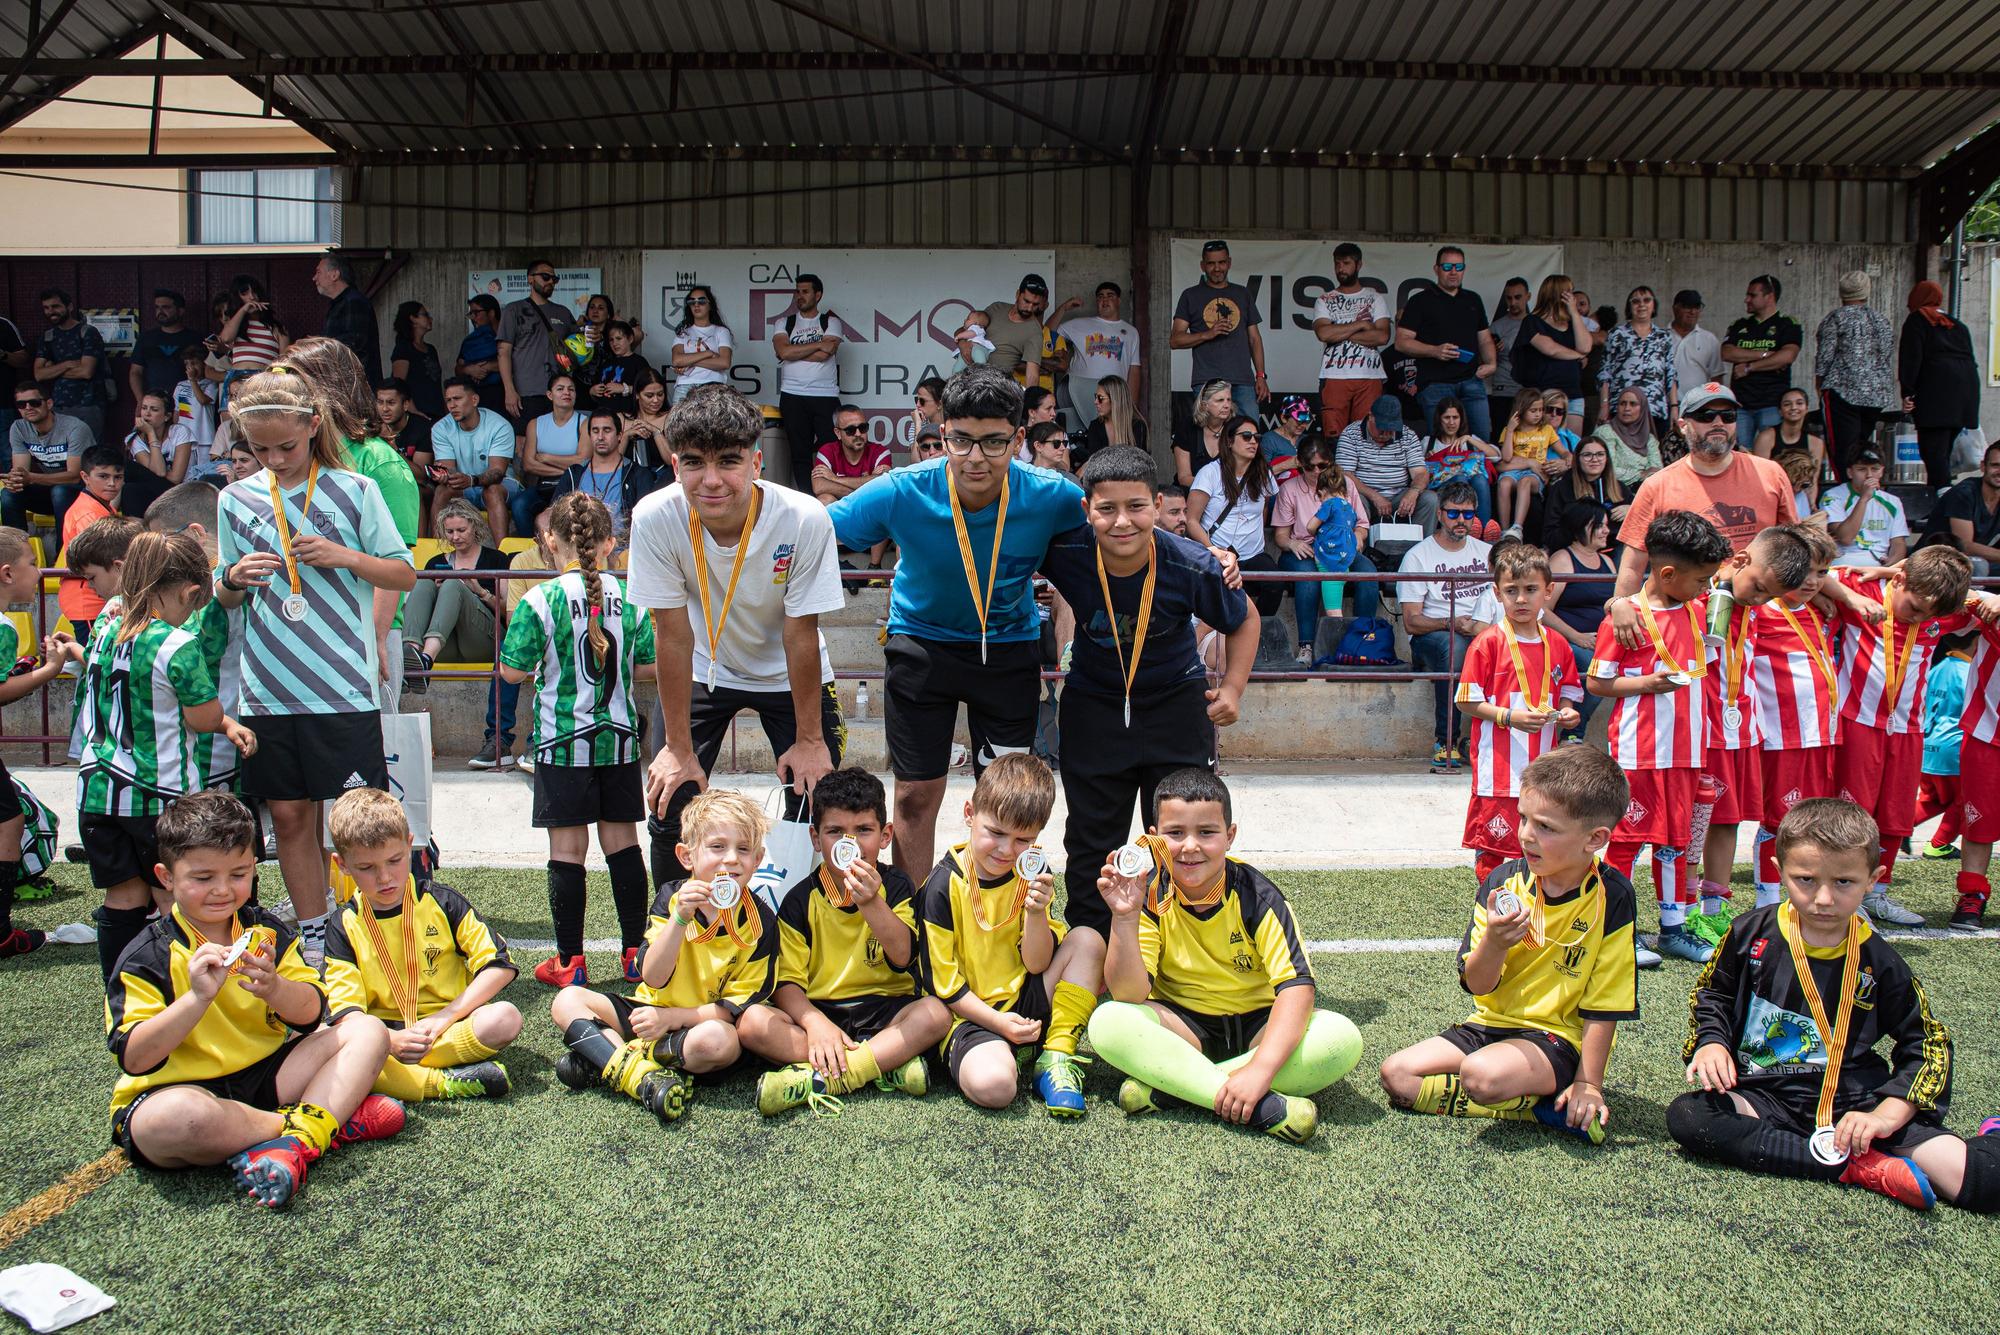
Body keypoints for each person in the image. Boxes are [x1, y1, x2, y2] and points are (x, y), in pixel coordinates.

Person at [1671, 798, 2000, 1214]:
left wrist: (1884, 1117)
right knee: (1691, 1118)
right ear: (1779, 870)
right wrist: (1711, 1043)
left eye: (1844, 882)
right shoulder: (1750, 933)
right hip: (1764, 1095)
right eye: (1805, 879)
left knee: (1983, 1183)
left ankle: (1986, 1136)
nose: (1823, 898)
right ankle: (1858, 1169)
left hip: (1855, 1106)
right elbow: (1712, 994)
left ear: (1873, 879)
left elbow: (1928, 1043)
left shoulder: (1880, 961)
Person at [828, 367, 1085, 878]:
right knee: (916, 796)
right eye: (961, 440)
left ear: (1017, 439)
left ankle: (992, 925)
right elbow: (815, 527)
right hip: (922, 648)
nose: (975, 458)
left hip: (1009, 651)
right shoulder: (902, 489)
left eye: (993, 443)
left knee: (1006, 802)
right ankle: (918, 920)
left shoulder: (1052, 494)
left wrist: (1208, 554)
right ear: (942, 433)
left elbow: (1127, 525)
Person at [102, 791, 402, 1208]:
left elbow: (313, 1013)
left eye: (238, 874)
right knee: (178, 1122)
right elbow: (135, 1059)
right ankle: (316, 1126)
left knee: (367, 1030)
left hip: (265, 1077)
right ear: (166, 876)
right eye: (203, 878)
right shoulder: (146, 956)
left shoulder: (265, 930)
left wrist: (275, 987)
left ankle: (296, 1136)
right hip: (178, 1090)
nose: (222, 891)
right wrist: (196, 999)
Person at [211, 369, 416, 968]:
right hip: (266, 691)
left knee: (362, 826)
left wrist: (342, 556)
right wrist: (231, 578)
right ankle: (317, 934)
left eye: (286, 447)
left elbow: (402, 574)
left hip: (343, 689)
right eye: (259, 449)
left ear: (312, 426)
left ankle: (382, 931)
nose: (273, 460)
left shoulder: (354, 490)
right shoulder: (234, 499)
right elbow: (223, 597)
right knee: (291, 820)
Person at [630, 385, 845, 887]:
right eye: (693, 463)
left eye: (728, 462)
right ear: (675, 464)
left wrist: (811, 739)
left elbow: (801, 635)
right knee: (669, 806)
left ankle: (802, 934)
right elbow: (673, 636)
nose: (711, 481)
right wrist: (678, 748)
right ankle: (672, 932)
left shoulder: (803, 518)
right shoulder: (656, 516)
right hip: (704, 668)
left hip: (787, 674)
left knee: (820, 805)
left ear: (756, 462)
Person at [1037, 445, 1256, 932]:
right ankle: (1088, 947)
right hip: (1094, 710)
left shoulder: (1191, 563)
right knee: (1093, 839)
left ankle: (1182, 944)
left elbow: (1246, 617)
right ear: (1086, 509)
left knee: (1179, 838)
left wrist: (1234, 688)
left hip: (1175, 710)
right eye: (1106, 508)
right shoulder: (1064, 551)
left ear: (1158, 506)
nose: (1122, 522)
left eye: (1136, 507)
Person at [1379, 745, 1636, 1144]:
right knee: (1397, 1075)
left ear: (1595, 839)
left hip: (1556, 1038)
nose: (1526, 835)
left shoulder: (1613, 896)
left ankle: (1562, 1092)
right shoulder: (1502, 883)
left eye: (1546, 827)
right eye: (1523, 819)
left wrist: (1590, 1082)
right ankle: (1541, 1111)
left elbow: (1607, 999)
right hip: (1489, 1026)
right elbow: (1478, 985)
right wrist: (1495, 944)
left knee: (1480, 1076)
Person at [1090, 767, 1362, 1142]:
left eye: (1206, 832)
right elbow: (1128, 994)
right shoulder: (1148, 895)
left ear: (1229, 836)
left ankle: (1178, 1088)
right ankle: (1258, 1106)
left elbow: (1297, 990)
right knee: (1107, 1021)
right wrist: (1124, 918)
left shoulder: (1257, 896)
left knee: (1341, 1038)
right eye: (1174, 833)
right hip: (1185, 1028)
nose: (1190, 846)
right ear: (1153, 839)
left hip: (1257, 1029)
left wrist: (1262, 1069)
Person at [64, 530, 258, 979]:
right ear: (191, 592)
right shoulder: (176, 644)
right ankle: (185, 989)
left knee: (123, 898)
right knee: (173, 897)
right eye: (193, 604)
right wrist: (225, 719)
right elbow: (204, 719)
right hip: (158, 795)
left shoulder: (106, 626)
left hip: (96, 790)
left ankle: (123, 992)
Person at [498, 493, 657, 988]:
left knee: (567, 849)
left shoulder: (537, 600)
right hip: (620, 741)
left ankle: (571, 963)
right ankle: (637, 956)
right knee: (623, 845)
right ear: (611, 542)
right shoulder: (633, 597)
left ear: (550, 540)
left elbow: (510, 671)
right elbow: (650, 666)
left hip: (563, 741)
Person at [549, 788, 776, 1124]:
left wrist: (671, 1020)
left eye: (743, 849)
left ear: (757, 860)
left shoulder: (761, 920)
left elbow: (733, 1012)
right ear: (687, 856)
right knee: (566, 1000)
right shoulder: (671, 898)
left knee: (720, 1042)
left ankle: (611, 1060)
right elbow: (653, 977)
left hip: (697, 1025)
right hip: (648, 1011)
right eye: (717, 847)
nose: (731, 859)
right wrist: (680, 918)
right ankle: (639, 1075)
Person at [738, 767, 947, 1115]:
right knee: (752, 1024)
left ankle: (826, 1077)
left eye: (863, 830)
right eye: (836, 832)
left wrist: (871, 902)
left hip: (886, 1011)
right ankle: (884, 1063)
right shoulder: (799, 900)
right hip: (823, 1014)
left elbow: (903, 955)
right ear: (816, 839)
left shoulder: (896, 887)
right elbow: (786, 983)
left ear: (885, 835)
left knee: (935, 1014)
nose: (849, 844)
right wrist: (814, 1023)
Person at [917, 753, 1104, 1116]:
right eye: (995, 833)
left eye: (1023, 839)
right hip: (969, 1014)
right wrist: (999, 1023)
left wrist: (1036, 913)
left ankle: (1056, 1056)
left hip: (1024, 996)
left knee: (1088, 941)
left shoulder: (1032, 872)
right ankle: (1005, 1049)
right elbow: (945, 987)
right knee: (997, 1087)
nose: (1006, 850)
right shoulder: (942, 885)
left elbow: (1037, 963)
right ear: (970, 813)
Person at [1588, 510, 1732, 965]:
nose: (1705, 589)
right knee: (1628, 841)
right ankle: (1617, 931)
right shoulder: (1626, 621)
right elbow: (1598, 683)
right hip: (1641, 751)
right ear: (1668, 573)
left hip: (1686, 752)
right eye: (1700, 580)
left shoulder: (1697, 609)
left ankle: (1672, 928)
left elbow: (1734, 584)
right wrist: (1648, 683)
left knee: (1673, 841)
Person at [1830, 546, 1993, 926]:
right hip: (1858, 722)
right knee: (1854, 816)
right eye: (1915, 608)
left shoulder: (1941, 610)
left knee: (1895, 816)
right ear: (1901, 580)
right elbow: (1812, 572)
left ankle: (1877, 894)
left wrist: (1980, 597)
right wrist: (1858, 589)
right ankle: (1843, 896)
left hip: (1908, 728)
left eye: (1930, 615)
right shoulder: (1863, 590)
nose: (1921, 618)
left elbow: (1985, 602)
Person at [323, 787, 519, 1104]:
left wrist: (446, 1016)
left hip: (447, 1026)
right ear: (342, 864)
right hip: (382, 1040)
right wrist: (390, 1040)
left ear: (410, 844)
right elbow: (347, 1012)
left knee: (504, 1018)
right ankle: (439, 1083)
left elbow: (498, 966)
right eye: (367, 868)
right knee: (322, 1037)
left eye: (394, 860)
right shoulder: (343, 925)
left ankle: (389, 1078)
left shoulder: (442, 902)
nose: (384, 877)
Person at [1691, 527, 1818, 924]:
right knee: (1688, 824)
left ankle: (1714, 908)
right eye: (1759, 587)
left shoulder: (1756, 610)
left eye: (1770, 596)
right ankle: (1675, 909)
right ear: (1742, 560)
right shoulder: (1697, 595)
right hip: (1696, 730)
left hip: (1740, 730)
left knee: (1728, 820)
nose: (1760, 599)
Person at [1454, 543, 1586, 882]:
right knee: (1496, 854)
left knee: (1539, 849)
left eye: (1530, 590)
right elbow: (1466, 701)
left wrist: (1568, 714)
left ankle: (1533, 917)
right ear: (1498, 594)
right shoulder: (1487, 643)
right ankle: (1492, 915)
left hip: (1542, 775)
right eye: (1512, 591)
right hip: (1497, 774)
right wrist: (1509, 717)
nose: (1522, 599)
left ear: (1548, 591)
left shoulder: (1557, 644)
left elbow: (1569, 693)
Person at [1611, 381, 1798, 603]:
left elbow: (1793, 548)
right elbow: (1633, 565)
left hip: (1759, 609)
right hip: (1686, 612)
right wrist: (1621, 608)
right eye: (1705, 415)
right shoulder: (1657, 485)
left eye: (1728, 416)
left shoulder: (1771, 473)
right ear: (1683, 425)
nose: (1718, 422)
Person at [1748, 523, 1841, 910]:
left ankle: (1798, 894)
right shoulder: (1759, 611)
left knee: (1811, 823)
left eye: (1821, 573)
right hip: (1782, 738)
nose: (1812, 581)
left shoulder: (1819, 610)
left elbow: (1856, 575)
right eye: (1804, 570)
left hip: (1822, 735)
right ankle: (1767, 899)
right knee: (1779, 820)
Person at [403, 501, 511, 745]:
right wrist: (437, 592)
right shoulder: (435, 561)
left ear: (474, 527)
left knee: (453, 583)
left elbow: (507, 611)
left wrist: (478, 591)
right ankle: (411, 652)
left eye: (461, 530)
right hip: (445, 642)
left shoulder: (496, 558)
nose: (455, 537)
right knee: (423, 582)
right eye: (450, 532)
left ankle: (424, 661)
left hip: (484, 640)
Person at [1400, 481, 1491, 771]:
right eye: (1454, 514)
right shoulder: (1418, 556)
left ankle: (1489, 741)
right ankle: (1446, 741)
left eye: (1468, 514)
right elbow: (1412, 622)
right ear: (1440, 514)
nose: (1461, 520)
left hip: (1484, 631)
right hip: (1435, 636)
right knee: (1454, 647)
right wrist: (1450, 622)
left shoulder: (1489, 553)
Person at [1274, 437, 1377, 658]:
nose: (1316, 471)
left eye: (1322, 465)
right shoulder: (1290, 489)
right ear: (1300, 464)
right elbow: (1280, 536)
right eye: (1310, 466)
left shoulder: (1345, 484)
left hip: (1341, 546)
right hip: (1306, 547)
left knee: (1369, 574)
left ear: (1330, 463)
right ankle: (1306, 646)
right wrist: (1293, 543)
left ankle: (1363, 642)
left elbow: (1361, 524)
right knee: (1307, 578)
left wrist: (1359, 536)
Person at [1395, 246, 1496, 441]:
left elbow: (1484, 338)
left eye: (1459, 266)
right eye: (1448, 266)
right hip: (1435, 384)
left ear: (1464, 269)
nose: (1453, 271)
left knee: (1482, 440)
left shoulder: (1473, 299)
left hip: (1471, 381)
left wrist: (1491, 364)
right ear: (1436, 269)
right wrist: (1434, 351)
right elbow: (1401, 342)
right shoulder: (1420, 301)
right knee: (1442, 445)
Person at [1187, 414, 1281, 617]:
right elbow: (1191, 520)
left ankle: (1259, 632)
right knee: (1221, 594)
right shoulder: (1210, 472)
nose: (1253, 442)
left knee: (1275, 582)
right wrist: (1212, 549)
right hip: (1217, 552)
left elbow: (1263, 508)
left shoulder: (1264, 473)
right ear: (1229, 441)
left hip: (1253, 553)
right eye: (1246, 436)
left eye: (1257, 437)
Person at [1899, 279, 1983, 491]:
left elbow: (1911, 358)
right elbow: (1970, 361)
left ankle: (1943, 504)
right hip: (1965, 395)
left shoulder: (1917, 320)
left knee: (1933, 453)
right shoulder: (1958, 325)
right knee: (1942, 453)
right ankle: (1939, 496)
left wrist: (1908, 392)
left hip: (1936, 396)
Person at [1544, 503, 1617, 742]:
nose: (1606, 531)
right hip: (1567, 640)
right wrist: (1577, 637)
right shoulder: (1563, 559)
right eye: (1598, 526)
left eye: (1607, 525)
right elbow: (1543, 609)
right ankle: (1573, 734)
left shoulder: (1607, 563)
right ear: (1580, 527)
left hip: (1600, 641)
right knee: (1594, 670)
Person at [1814, 271, 1897, 478]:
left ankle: (1844, 489)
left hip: (1842, 391)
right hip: (1876, 397)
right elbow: (1886, 353)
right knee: (1863, 447)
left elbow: (1824, 357)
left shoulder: (1836, 318)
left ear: (1842, 292)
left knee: (1842, 449)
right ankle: (1865, 488)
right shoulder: (1881, 320)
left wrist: (1820, 384)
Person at [1171, 242, 1267, 420]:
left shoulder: (1243, 294)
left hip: (1243, 381)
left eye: (1221, 263)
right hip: (1207, 380)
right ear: (1202, 265)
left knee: (1248, 434)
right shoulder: (1190, 295)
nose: (1217, 268)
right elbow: (1175, 340)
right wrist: (1207, 334)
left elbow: (1255, 338)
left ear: (1229, 263)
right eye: (1211, 263)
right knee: (1209, 435)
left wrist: (1260, 375)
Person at [773, 273, 843, 494]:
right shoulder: (784, 322)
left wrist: (793, 353)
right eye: (798, 291)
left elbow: (828, 352)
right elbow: (782, 350)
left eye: (805, 291)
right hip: (792, 395)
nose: (799, 296)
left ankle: (827, 494)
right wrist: (817, 345)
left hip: (825, 395)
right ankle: (807, 497)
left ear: (817, 295)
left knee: (830, 448)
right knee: (799, 451)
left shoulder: (830, 322)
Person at [552, 407, 657, 555]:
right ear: (589, 435)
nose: (600, 436)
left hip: (623, 555)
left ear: (620, 435)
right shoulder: (574, 473)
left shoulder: (638, 474)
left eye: (607, 430)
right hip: (577, 554)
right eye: (595, 431)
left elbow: (648, 522)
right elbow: (552, 515)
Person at [1312, 242, 1391, 437]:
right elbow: (1323, 334)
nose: (1341, 269)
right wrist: (1361, 324)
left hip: (1369, 375)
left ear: (1358, 265)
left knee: (1366, 435)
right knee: (1333, 436)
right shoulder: (1325, 299)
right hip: (1334, 375)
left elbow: (1382, 336)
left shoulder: (1374, 298)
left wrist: (1339, 331)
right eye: (1337, 264)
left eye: (1346, 263)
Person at [432, 375, 521, 540]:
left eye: (457, 399)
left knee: (492, 491)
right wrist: (447, 475)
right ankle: (437, 553)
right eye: (449, 400)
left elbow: (497, 472)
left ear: (474, 400)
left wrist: (472, 480)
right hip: (464, 486)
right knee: (441, 490)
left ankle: (502, 557)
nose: (452, 405)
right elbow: (448, 466)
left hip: (501, 484)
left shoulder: (499, 425)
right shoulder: (441, 428)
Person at [1722, 275, 1803, 451]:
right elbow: (1727, 352)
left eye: (1752, 295)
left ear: (1769, 296)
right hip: (1741, 404)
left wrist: (1749, 367)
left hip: (1772, 404)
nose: (1747, 299)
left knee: (1770, 457)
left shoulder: (1787, 324)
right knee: (1742, 457)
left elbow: (1787, 356)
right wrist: (1766, 354)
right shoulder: (1740, 325)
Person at [1913, 630, 1973, 864]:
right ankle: (1939, 844)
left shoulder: (1937, 666)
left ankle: (1895, 831)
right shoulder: (1969, 672)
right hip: (1953, 748)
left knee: (1932, 798)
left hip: (1928, 745)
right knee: (1963, 800)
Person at [1507, 275, 1593, 437]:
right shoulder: (1532, 321)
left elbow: (1586, 346)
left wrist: (1574, 313)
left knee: (1571, 447)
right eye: (1570, 292)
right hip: (1544, 395)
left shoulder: (1572, 323)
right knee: (1541, 448)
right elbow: (1550, 349)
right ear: (1559, 294)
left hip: (1573, 394)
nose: (1573, 296)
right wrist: (1577, 355)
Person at [497, 259, 577, 432]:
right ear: (530, 279)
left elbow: (580, 347)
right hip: (526, 392)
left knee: (559, 442)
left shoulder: (563, 312)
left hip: (559, 393)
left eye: (554, 279)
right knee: (524, 446)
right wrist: (509, 390)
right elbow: (504, 352)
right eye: (545, 277)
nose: (550, 282)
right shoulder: (513, 310)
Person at [1336, 396, 1437, 532]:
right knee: (1351, 499)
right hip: (1365, 496)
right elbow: (1345, 474)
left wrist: (1413, 492)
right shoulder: (1351, 434)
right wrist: (1375, 496)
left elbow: (1420, 472)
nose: (1386, 433)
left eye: (1391, 429)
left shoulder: (1408, 435)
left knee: (1430, 500)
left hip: (1398, 496)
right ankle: (1359, 549)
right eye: (1381, 428)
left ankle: (1420, 549)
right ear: (1370, 417)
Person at [6, 373, 92, 530]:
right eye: (21, 404)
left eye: (34, 403)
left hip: (83, 492)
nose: (28, 408)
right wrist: (15, 480)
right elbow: (21, 472)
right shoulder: (18, 427)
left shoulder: (75, 428)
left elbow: (74, 476)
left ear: (49, 403)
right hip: (50, 491)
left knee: (60, 491)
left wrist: (30, 478)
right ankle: (17, 550)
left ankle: (62, 552)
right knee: (8, 494)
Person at [58, 446, 127, 637]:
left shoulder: (102, 507)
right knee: (94, 662)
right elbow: (102, 558)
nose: (112, 483)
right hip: (89, 601)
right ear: (85, 477)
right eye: (103, 476)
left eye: (118, 477)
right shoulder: (87, 513)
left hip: (102, 600)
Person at [1051, 281, 1141, 426]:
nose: (1104, 300)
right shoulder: (1078, 324)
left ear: (1118, 300)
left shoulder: (1131, 331)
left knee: (1111, 437)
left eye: (1110, 296)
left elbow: (1134, 370)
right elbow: (1046, 334)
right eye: (1100, 296)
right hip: (1080, 394)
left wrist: (1132, 407)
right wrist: (1063, 308)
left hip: (1114, 395)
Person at [1594, 286, 1678, 435]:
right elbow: (1605, 373)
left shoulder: (1664, 336)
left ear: (1654, 306)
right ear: (1629, 306)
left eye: (1647, 300)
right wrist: (1604, 405)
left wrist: (1674, 407)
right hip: (1622, 407)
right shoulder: (1617, 334)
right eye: (1636, 301)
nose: (1642, 305)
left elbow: (1670, 374)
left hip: (1655, 407)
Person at [32, 287, 108, 444]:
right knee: (63, 453)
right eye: (46, 308)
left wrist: (52, 369)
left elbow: (86, 371)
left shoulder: (87, 332)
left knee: (90, 455)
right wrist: (67, 364)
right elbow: (39, 375)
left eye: (55, 306)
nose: (50, 311)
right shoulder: (48, 337)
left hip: (88, 405)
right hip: (59, 406)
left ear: (69, 307)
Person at [811, 404, 894, 548]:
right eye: (850, 430)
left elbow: (883, 484)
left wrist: (834, 479)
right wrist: (866, 486)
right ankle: (833, 555)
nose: (858, 434)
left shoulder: (880, 451)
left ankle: (875, 566)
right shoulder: (827, 451)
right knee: (824, 499)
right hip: (843, 515)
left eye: (862, 428)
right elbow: (819, 486)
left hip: (868, 517)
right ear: (838, 433)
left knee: (883, 501)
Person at [1494, 387, 1569, 539]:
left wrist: (1566, 458)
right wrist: (1509, 431)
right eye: (1533, 410)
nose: (1538, 414)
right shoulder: (1510, 430)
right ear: (1520, 410)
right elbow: (1506, 457)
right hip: (1513, 471)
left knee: (1525, 482)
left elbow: (1563, 451)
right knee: (1504, 483)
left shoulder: (1546, 429)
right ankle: (1504, 530)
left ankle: (1517, 527)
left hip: (1534, 474)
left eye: (1541, 410)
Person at [516, 371, 585, 534]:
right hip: (543, 486)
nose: (566, 393)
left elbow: (582, 460)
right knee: (520, 504)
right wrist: (565, 470)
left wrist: (546, 457)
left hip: (573, 486)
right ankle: (531, 550)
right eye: (560, 389)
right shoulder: (536, 424)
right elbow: (528, 464)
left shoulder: (584, 423)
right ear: (549, 395)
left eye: (571, 389)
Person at [1421, 396, 1499, 530]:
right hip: (1441, 492)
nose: (1451, 422)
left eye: (1455, 417)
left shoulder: (1469, 441)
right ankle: (1462, 524)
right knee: (1459, 477)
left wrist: (1469, 439)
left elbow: (1496, 456)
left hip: (1470, 489)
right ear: (1439, 419)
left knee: (1480, 479)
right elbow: (1417, 471)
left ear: (1461, 419)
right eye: (1447, 417)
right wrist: (1428, 459)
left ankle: (1483, 529)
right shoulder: (1429, 442)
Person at [1821, 449, 1909, 567]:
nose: (1869, 475)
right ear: (1850, 472)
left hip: (1879, 563)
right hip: (1843, 562)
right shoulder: (1832, 496)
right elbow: (1845, 538)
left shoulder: (1893, 501)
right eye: (1862, 469)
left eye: (1875, 469)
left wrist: (1890, 565)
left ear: (1882, 471)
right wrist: (1863, 499)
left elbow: (1898, 543)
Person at [1924, 439, 2000, 574]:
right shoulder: (1964, 494)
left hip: (1970, 564)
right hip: (1936, 565)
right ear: (1983, 466)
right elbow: (1965, 546)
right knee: (1979, 566)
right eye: (1995, 465)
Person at [966, 274, 1050, 395]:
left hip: (995, 389)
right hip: (968, 378)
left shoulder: (1035, 332)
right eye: (1026, 301)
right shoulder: (996, 308)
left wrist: (1030, 408)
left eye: (1035, 304)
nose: (1030, 308)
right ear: (1017, 294)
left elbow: (1032, 376)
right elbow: (968, 329)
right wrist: (963, 345)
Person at [1541, 434, 1626, 552]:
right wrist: (1577, 524)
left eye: (1600, 454)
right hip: (1575, 552)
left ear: (1607, 459)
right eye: (1587, 455)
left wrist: (1632, 510)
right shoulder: (1561, 488)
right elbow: (1549, 536)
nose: (1594, 459)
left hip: (1613, 550)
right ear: (1577, 459)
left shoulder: (1620, 487)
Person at [215, 276, 289, 412]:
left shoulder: (277, 328)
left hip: (262, 379)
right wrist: (243, 310)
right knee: (230, 427)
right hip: (236, 379)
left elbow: (283, 360)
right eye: (245, 294)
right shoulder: (236, 325)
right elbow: (225, 338)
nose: (252, 297)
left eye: (255, 292)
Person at [313, 252, 379, 387]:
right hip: (345, 383)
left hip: (356, 385)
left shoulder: (354, 301)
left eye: (318, 272)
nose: (314, 278)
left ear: (334, 275)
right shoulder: (340, 303)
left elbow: (354, 342)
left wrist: (317, 347)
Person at [123, 390, 194, 513]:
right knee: (130, 487)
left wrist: (150, 433)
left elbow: (175, 478)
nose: (147, 413)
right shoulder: (133, 439)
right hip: (154, 491)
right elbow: (158, 473)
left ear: (167, 416)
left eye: (154, 410)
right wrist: (151, 434)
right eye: (144, 408)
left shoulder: (180, 432)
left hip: (180, 492)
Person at [129, 289, 200, 406]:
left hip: (188, 403)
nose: (160, 311)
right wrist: (140, 400)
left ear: (180, 311)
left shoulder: (195, 339)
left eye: (166, 307)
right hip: (154, 404)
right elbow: (135, 372)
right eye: (157, 307)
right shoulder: (146, 338)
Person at [1593, 385, 1665, 491]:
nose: (1627, 408)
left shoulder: (1649, 439)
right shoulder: (1605, 432)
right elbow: (1607, 468)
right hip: (1613, 491)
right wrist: (1640, 475)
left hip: (1645, 492)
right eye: (1622, 403)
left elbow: (1658, 471)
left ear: (1643, 408)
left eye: (1633, 404)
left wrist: (1647, 475)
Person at [668, 286, 733, 404]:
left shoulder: (721, 331)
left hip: (713, 384)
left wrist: (689, 360)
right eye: (692, 302)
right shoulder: (683, 332)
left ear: (710, 305)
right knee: (680, 422)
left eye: (701, 301)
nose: (696, 305)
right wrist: (708, 354)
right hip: (685, 385)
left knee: (712, 422)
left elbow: (724, 362)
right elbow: (677, 360)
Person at [1669, 290, 1723, 427]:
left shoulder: (1709, 339)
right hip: (1667, 407)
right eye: (1687, 307)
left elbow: (1716, 379)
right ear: (1675, 308)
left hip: (1698, 407)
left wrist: (1712, 407)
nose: (1693, 312)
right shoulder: (1660, 337)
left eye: (1697, 307)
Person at [1074, 373, 1147, 471]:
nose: (1095, 402)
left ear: (1115, 400)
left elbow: (1137, 465)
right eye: (1095, 396)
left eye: (1100, 398)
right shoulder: (1095, 426)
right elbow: (1095, 462)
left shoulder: (1137, 426)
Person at [389, 301, 445, 422]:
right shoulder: (404, 348)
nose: (430, 318)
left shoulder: (431, 349)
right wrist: (413, 410)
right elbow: (399, 383)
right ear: (413, 319)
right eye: (425, 314)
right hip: (416, 414)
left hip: (436, 413)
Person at [1171, 379, 1234, 486]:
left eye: (1229, 400)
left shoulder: (1235, 428)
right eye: (1220, 400)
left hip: (1226, 495)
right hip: (1190, 493)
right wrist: (1213, 486)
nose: (1227, 405)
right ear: (1204, 405)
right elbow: (1184, 478)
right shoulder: (1187, 427)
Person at [455, 292, 505, 416]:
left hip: (503, 397)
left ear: (491, 313)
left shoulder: (509, 338)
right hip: (476, 397)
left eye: (476, 313)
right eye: (471, 314)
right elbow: (458, 369)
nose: (473, 318)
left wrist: (485, 367)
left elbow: (517, 363)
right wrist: (469, 369)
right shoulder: (470, 341)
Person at [1487, 277, 1531, 408]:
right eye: (1509, 298)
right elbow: (1482, 362)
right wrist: (1491, 351)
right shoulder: (1496, 327)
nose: (1513, 302)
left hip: (1531, 391)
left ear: (1528, 296)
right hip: (1503, 390)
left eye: (1518, 297)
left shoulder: (1538, 324)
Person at [621, 374, 673, 474]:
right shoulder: (622, 418)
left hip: (660, 480)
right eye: (649, 396)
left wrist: (656, 432)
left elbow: (672, 462)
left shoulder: (670, 417)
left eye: (660, 394)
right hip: (628, 479)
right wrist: (626, 436)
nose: (656, 400)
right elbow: (612, 464)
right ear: (636, 394)